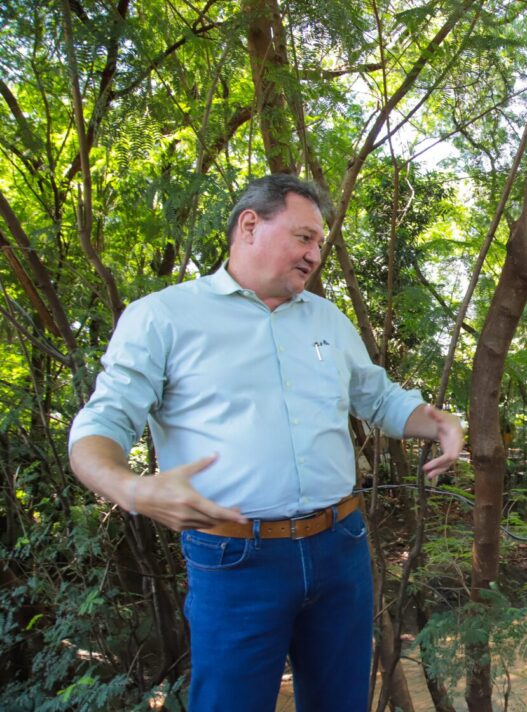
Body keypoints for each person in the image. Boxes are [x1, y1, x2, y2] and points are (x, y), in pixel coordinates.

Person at [68, 174, 464, 711]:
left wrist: (436, 421)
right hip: (234, 556)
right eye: (304, 237)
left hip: (339, 546)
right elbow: (98, 429)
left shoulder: (327, 318)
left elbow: (378, 399)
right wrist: (133, 491)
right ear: (250, 225)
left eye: (320, 243)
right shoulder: (164, 316)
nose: (315, 254)